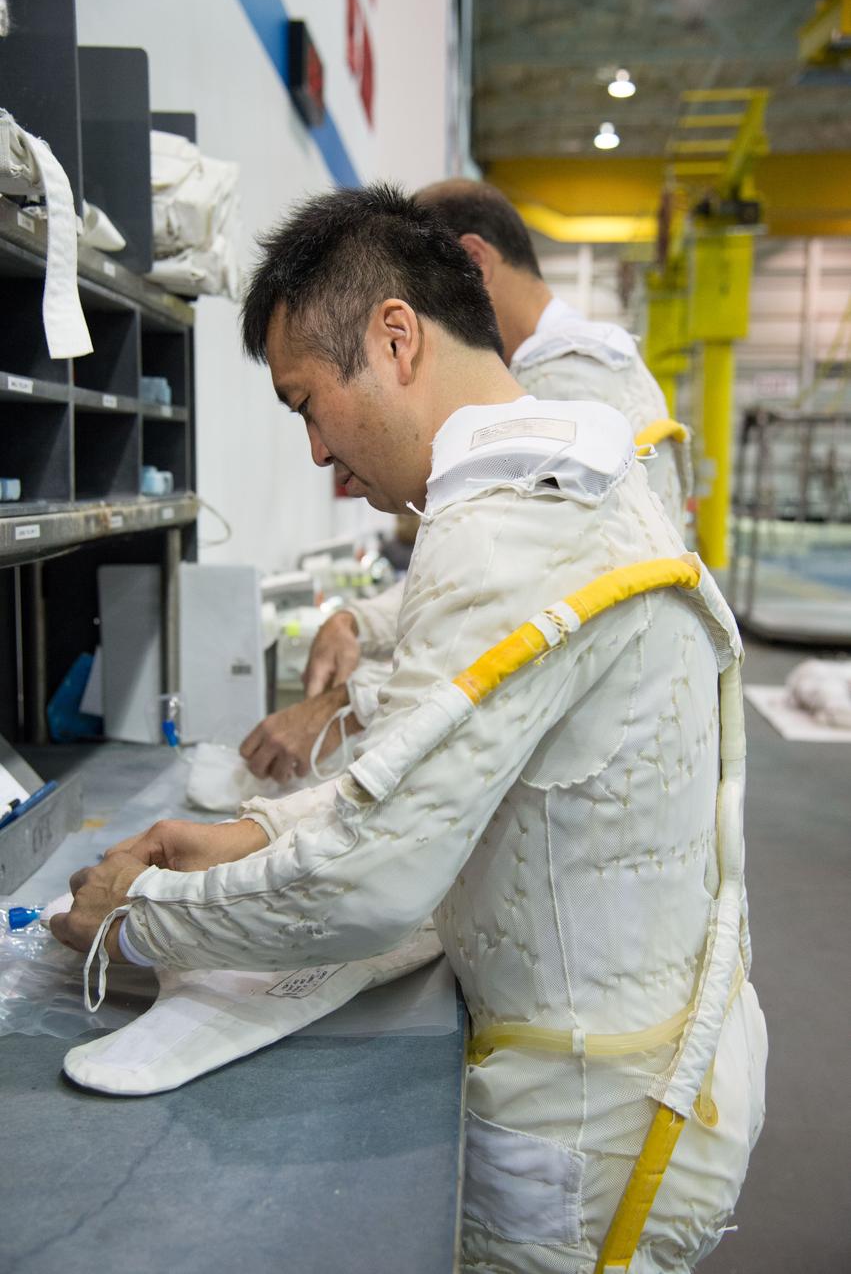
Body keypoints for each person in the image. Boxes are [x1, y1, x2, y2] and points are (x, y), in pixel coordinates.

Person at [53, 185, 765, 1274]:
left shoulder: (508, 530)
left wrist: (139, 916)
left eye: (303, 402)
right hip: (645, 1072)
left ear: (394, 339)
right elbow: (431, 762)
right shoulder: (574, 481)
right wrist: (249, 837)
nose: (310, 452)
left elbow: (367, 882)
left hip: (580, 1132)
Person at [240, 178, 691, 784]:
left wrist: (343, 708)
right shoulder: (575, 388)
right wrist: (362, 623)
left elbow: (500, 612)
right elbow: (495, 580)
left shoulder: (566, 400)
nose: (319, 451)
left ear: (470, 265)